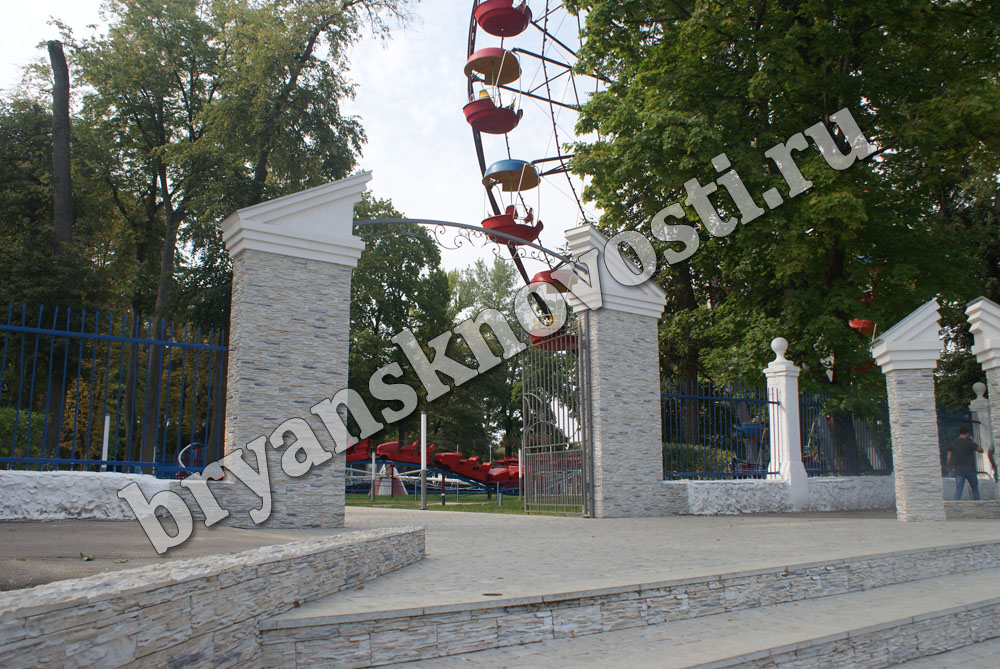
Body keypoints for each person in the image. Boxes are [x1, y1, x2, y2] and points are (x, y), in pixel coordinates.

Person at [947, 425, 984, 500]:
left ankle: (957, 504)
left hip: (959, 470)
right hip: (970, 469)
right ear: (967, 433)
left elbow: (949, 457)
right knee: (974, 488)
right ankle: (978, 503)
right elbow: (981, 450)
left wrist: (948, 466)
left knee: (959, 488)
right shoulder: (969, 443)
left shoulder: (953, 443)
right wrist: (973, 441)